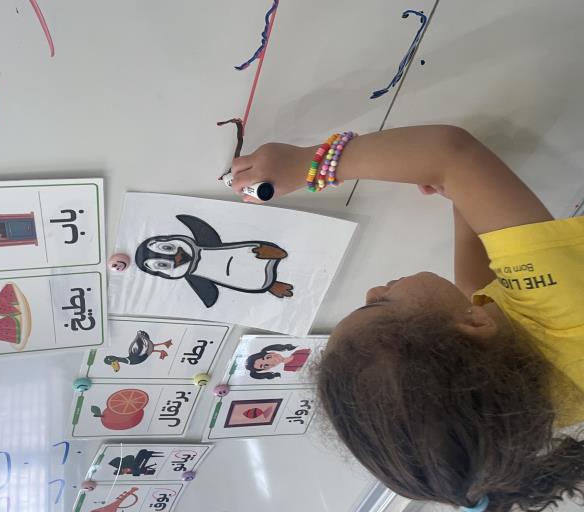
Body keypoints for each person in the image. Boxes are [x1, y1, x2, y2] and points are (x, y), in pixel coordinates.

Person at [230, 125, 584, 512]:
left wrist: (465, 194)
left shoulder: (523, 395)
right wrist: (306, 165)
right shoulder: (564, 311)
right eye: (379, 305)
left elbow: (475, 285)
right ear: (473, 327)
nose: (372, 291)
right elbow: (451, 152)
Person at [245, 343, 312, 379]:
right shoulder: (288, 369)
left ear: (271, 352)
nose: (272, 361)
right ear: (268, 369)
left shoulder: (298, 351)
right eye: (266, 365)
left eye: (268, 357)